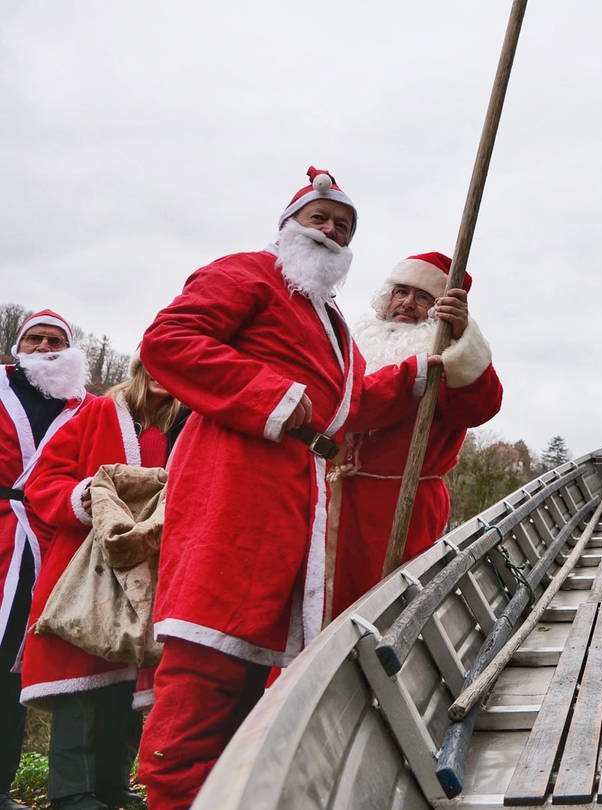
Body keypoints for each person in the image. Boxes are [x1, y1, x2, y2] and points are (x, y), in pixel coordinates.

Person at [135, 167, 422, 808]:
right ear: (289, 223)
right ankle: (173, 797)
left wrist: (414, 374)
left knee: (250, 665)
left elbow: (342, 411)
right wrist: (273, 396)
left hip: (297, 497)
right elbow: (169, 340)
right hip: (234, 479)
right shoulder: (246, 273)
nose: (330, 231)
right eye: (319, 218)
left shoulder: (331, 322)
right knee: (209, 647)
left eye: (343, 226)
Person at [20, 359, 185, 810]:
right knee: (79, 678)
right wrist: (88, 500)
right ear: (138, 365)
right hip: (86, 566)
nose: (161, 373)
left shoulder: (188, 427)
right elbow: (43, 482)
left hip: (150, 569)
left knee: (127, 684)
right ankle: (71, 792)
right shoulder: (95, 414)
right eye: (153, 363)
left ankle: (113, 785)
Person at [331, 252, 502, 614]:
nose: (407, 303)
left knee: (386, 609)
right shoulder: (354, 341)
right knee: (324, 601)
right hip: (336, 498)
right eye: (400, 292)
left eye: (423, 297)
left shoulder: (446, 358)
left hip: (401, 507)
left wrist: (462, 338)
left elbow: (480, 407)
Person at [0, 310, 91, 810]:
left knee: (21, 665)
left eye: (56, 339)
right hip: (0, 530)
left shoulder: (86, 407)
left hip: (50, 539)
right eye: (34, 338)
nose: (45, 347)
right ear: (19, 346)